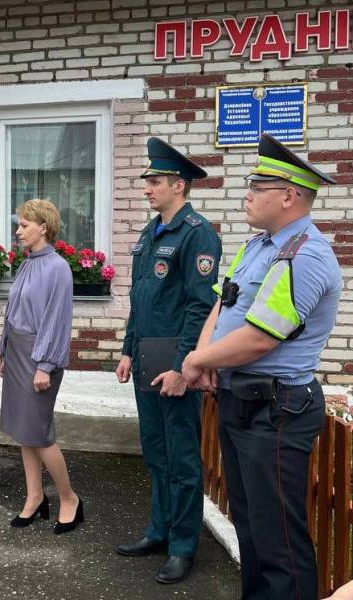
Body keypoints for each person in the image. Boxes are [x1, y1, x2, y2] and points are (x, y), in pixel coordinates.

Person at [182, 133, 342, 600]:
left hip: (276, 409)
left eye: (256, 186)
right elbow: (223, 303)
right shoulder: (260, 245)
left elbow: (259, 338)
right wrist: (206, 354)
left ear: (289, 196)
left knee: (278, 541)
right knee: (251, 527)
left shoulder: (305, 254)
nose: (246, 195)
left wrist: (195, 361)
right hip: (243, 402)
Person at [115, 138, 222, 583]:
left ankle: (182, 545)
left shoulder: (197, 233)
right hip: (145, 358)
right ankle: (158, 530)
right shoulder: (150, 231)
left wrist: (184, 366)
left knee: (182, 459)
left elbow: (202, 308)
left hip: (175, 364)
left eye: (155, 181)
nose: (147, 189)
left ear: (179, 185)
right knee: (157, 454)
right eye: (148, 182)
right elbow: (141, 301)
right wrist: (125, 349)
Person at [0, 199, 82, 534]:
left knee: (40, 434)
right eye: (19, 224)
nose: (18, 231)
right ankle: (34, 497)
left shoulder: (57, 268)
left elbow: (56, 321)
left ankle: (69, 498)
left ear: (43, 227)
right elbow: (12, 311)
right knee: (24, 433)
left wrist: (45, 365)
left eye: (23, 225)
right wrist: (5, 352)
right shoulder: (27, 263)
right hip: (18, 354)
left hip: (39, 356)